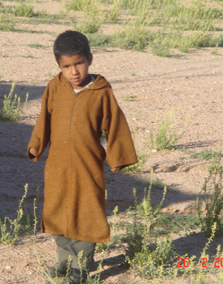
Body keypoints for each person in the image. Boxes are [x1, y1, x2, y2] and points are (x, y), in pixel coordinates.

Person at [27, 30, 137, 284]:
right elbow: (45, 117)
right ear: (59, 66)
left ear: (89, 58)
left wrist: (117, 156)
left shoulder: (101, 91)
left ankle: (81, 267)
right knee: (56, 210)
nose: (73, 71)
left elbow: (116, 123)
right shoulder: (55, 86)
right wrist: (36, 143)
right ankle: (64, 260)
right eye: (66, 66)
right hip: (57, 164)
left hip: (88, 163)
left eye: (79, 63)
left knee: (87, 212)